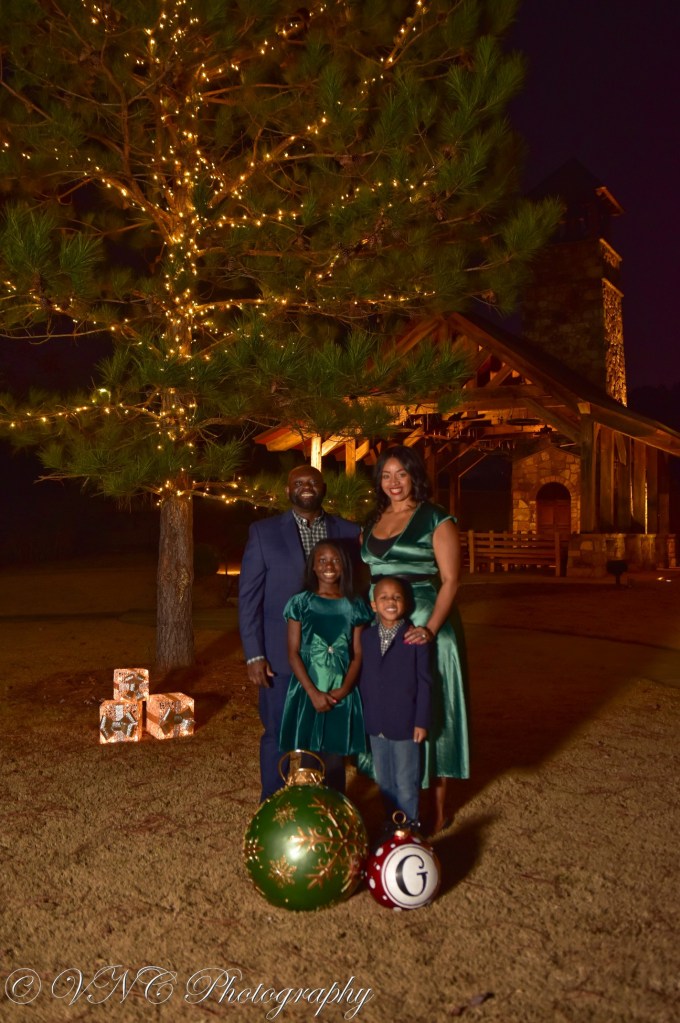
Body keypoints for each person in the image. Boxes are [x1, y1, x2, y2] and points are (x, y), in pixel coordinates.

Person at [361, 444, 469, 834]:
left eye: (402, 474)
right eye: (386, 475)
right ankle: (395, 802)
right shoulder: (373, 520)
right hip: (383, 624)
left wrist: (431, 629)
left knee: (433, 711)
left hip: (425, 621)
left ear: (414, 476)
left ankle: (437, 810)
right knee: (390, 703)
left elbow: (451, 580)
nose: (394, 483)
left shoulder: (436, 518)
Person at [238, 465, 360, 801]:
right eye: (299, 482)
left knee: (327, 733)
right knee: (278, 731)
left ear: (324, 488)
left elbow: (358, 590)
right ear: (288, 490)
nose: (306, 487)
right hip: (279, 656)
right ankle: (272, 805)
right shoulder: (263, 533)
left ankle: (327, 804)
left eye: (313, 482)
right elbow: (249, 599)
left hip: (332, 656)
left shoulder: (349, 532)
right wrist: (254, 654)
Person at [280, 541, 373, 772]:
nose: (329, 566)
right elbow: (293, 653)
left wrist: (344, 689)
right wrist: (312, 692)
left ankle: (334, 795)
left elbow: (358, 654)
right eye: (322, 560)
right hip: (308, 689)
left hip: (341, 689)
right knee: (309, 758)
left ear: (344, 565)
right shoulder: (301, 603)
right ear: (312, 566)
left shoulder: (354, 604)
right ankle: (308, 795)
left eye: (335, 560)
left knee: (334, 759)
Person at [359, 576, 431, 833]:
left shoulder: (415, 638)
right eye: (384, 597)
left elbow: (425, 683)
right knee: (385, 780)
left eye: (397, 597)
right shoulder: (366, 637)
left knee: (405, 779)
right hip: (376, 722)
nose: (391, 601)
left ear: (406, 603)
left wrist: (421, 721)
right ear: (373, 604)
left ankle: (409, 829)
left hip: (405, 724)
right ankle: (392, 825)